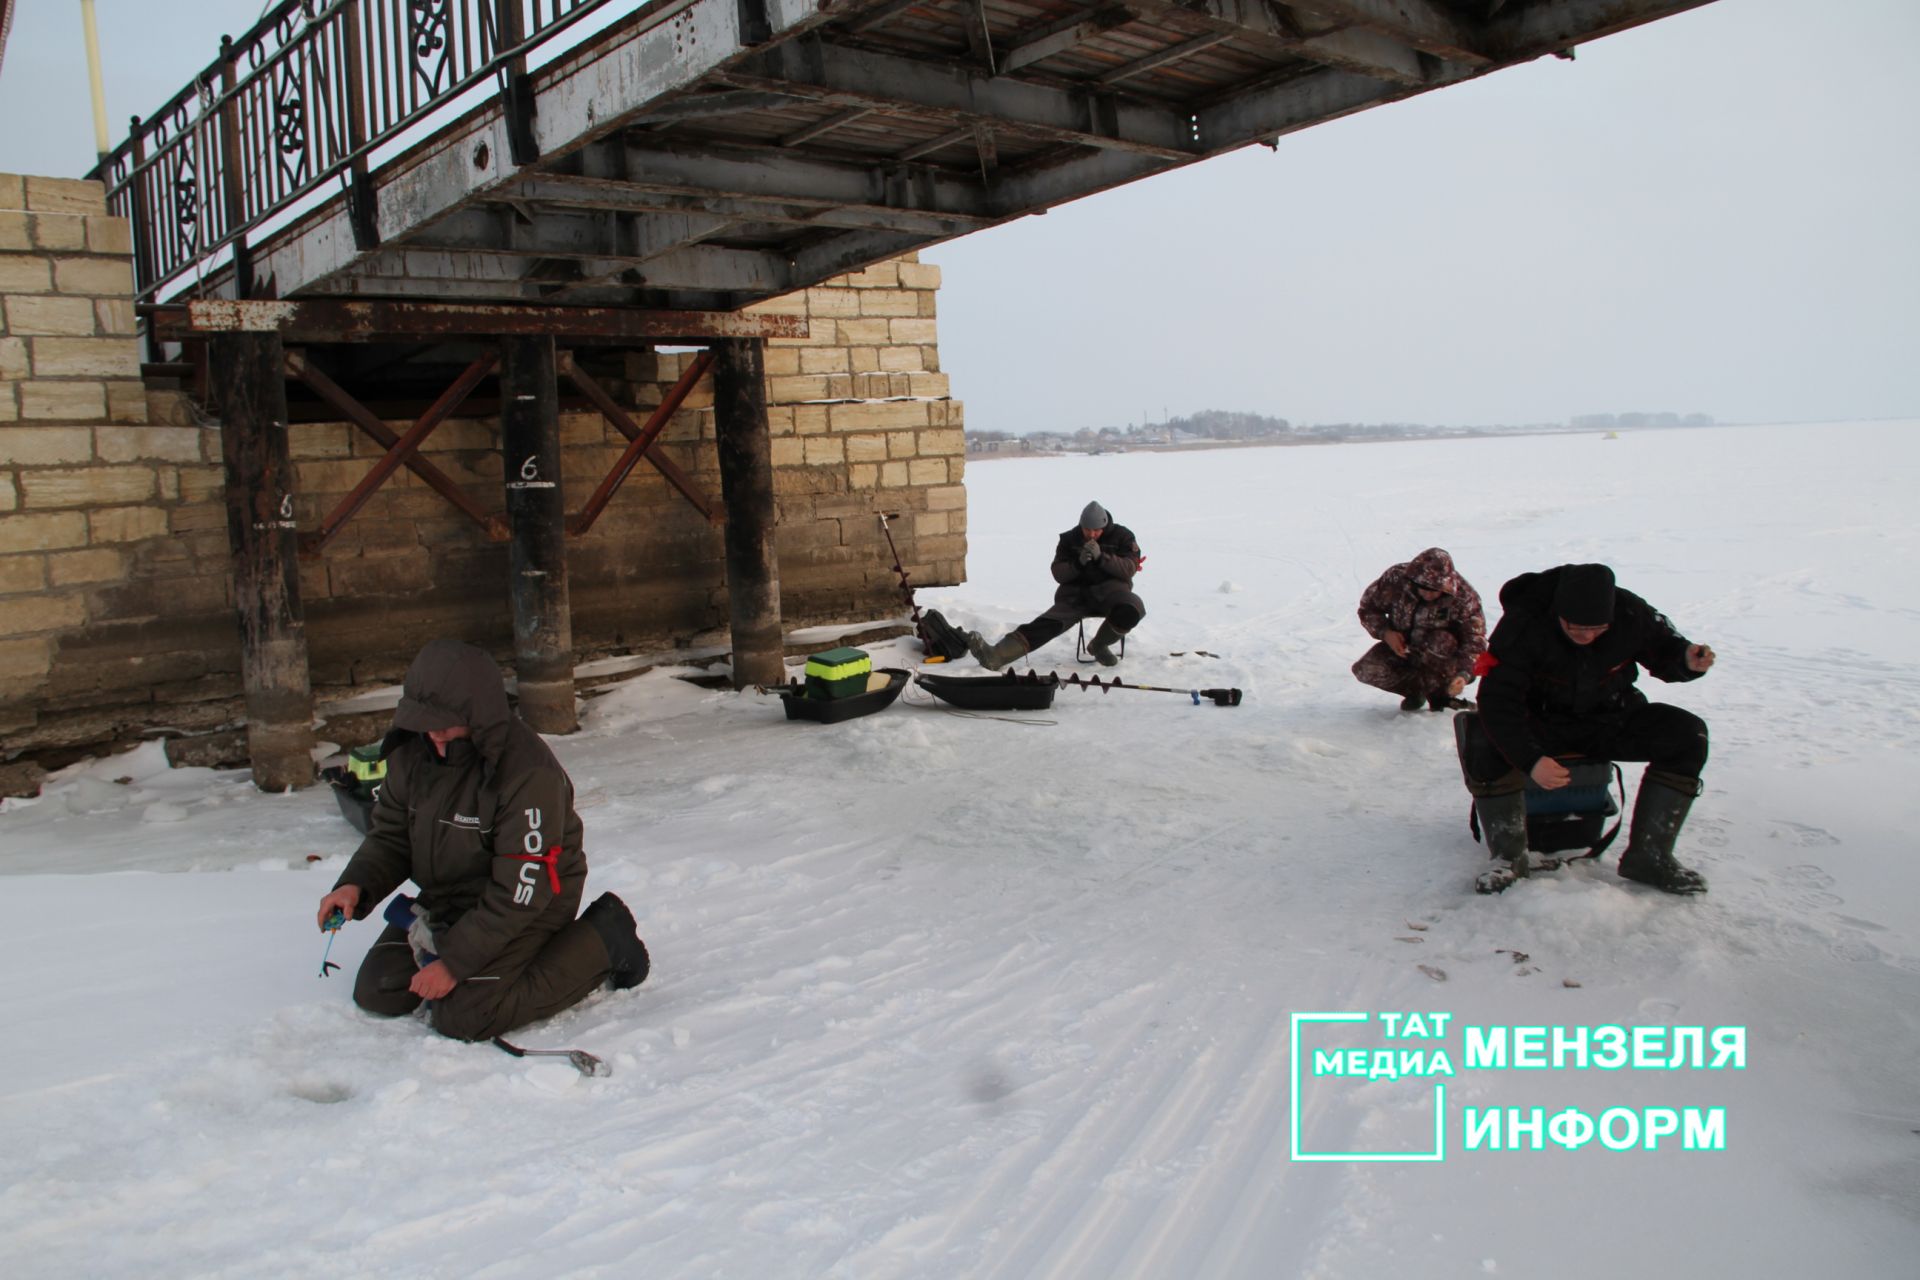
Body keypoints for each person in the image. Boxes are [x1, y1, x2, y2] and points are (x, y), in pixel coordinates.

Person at [314, 639, 651, 1041]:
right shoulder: (412, 753)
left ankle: (604, 940)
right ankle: (469, 954)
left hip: (530, 903)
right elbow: (390, 835)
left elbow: (519, 891)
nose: (434, 736)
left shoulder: (526, 773)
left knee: (466, 1016)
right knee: (380, 989)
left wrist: (454, 962)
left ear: (479, 714)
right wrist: (356, 885)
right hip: (451, 898)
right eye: (425, 722)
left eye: (445, 724)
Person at [1460, 563, 1716, 895]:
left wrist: (1686, 661)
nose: (1585, 636)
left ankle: (1650, 856)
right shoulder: (1525, 622)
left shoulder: (1630, 612)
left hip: (1609, 716)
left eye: (1596, 629)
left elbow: (1665, 648)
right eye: (1575, 627)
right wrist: (1531, 760)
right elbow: (1498, 700)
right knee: (1481, 736)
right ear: (1558, 613)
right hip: (1540, 721)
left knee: (1686, 735)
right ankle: (1509, 858)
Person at [968, 500, 1144, 669]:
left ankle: (1099, 645)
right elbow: (1058, 573)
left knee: (1132, 608)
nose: (1091, 535)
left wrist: (1102, 558)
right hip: (1077, 595)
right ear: (1081, 525)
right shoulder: (1069, 539)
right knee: (1047, 625)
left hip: (1112, 593)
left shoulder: (1123, 537)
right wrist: (1077, 564)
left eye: (1096, 531)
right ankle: (997, 656)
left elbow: (1129, 569)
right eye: (1087, 530)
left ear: (1104, 526)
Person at [1352, 547, 1486, 711]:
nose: (1429, 594)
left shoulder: (1464, 597)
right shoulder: (1395, 579)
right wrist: (1386, 633)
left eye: (1435, 590)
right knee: (1366, 669)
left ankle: (1440, 694)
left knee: (1441, 641)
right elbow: (1368, 609)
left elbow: (1475, 641)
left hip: (1443, 658)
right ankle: (1416, 692)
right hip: (1405, 651)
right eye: (1424, 588)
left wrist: (1464, 674)